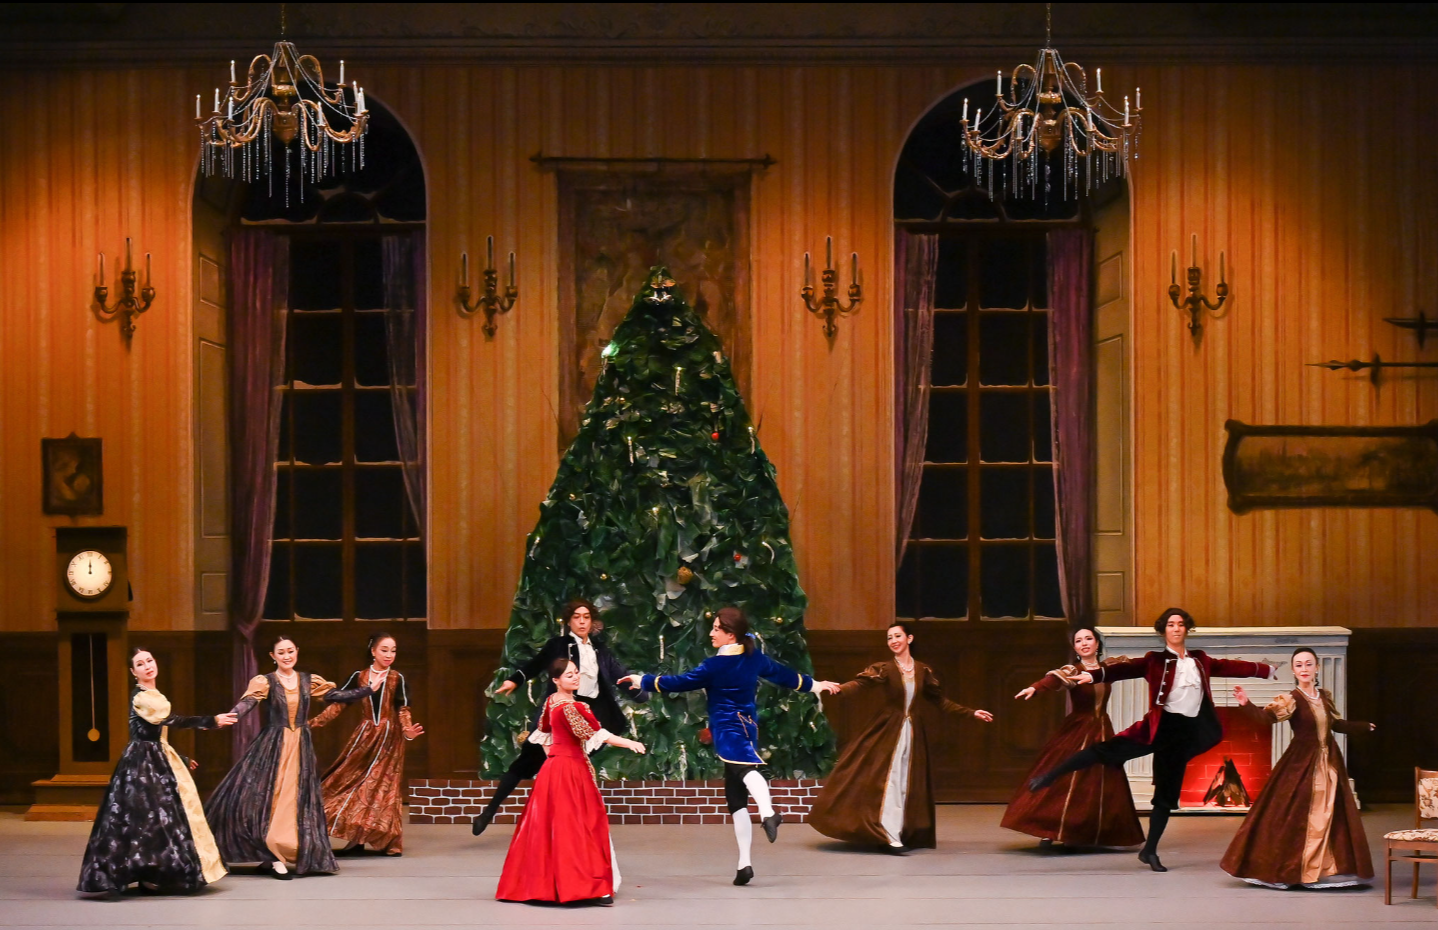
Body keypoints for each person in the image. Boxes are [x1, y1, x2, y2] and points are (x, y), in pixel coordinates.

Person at [1025, 608, 1276, 872]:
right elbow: (1125, 669)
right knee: (1105, 750)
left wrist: (1267, 670)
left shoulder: (1200, 660)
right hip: (1158, 727)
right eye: (1171, 624)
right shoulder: (1154, 660)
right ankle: (1050, 776)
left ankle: (1150, 851)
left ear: (1186, 629)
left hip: (1184, 735)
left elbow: (1230, 666)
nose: (1176, 628)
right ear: (1163, 630)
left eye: (1180, 624)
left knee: (1166, 797)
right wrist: (1095, 675)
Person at [620, 606, 840, 886]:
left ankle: (769, 812)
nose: (711, 633)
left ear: (731, 634)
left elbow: (680, 682)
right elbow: (784, 675)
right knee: (736, 800)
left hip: (727, 727)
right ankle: (744, 864)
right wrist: (816, 685)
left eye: (716, 629)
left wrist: (643, 680)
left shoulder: (715, 666)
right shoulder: (752, 657)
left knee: (745, 770)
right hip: (747, 726)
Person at [808, 621, 993, 852]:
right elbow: (860, 683)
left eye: (897, 636)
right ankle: (888, 834)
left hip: (913, 733)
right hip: (888, 730)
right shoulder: (884, 668)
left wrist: (971, 712)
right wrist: (837, 688)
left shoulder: (923, 671)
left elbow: (939, 701)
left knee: (906, 782)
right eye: (889, 638)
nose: (893, 641)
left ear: (909, 639)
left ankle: (899, 831)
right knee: (889, 781)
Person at [474, 599, 647, 836]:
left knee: (575, 765)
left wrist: (640, 692)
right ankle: (490, 810)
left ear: (592, 621)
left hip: (590, 711)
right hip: (561, 711)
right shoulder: (558, 645)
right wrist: (514, 680)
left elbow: (619, 675)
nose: (582, 622)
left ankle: (568, 824)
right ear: (568, 621)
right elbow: (535, 664)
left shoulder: (600, 650)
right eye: (577, 617)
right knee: (526, 763)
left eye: (586, 617)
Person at [203, 635, 371, 879]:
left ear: (297, 651)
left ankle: (280, 852)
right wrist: (231, 715)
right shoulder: (265, 682)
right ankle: (271, 854)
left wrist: (368, 689)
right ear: (273, 656)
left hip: (300, 745)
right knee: (266, 796)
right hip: (273, 744)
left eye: (290, 651)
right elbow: (248, 703)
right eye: (281, 652)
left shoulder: (308, 680)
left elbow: (336, 696)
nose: (287, 656)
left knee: (294, 798)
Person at [78, 648, 236, 895]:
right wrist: (210, 721)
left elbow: (157, 734)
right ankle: (125, 874)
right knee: (144, 818)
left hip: (154, 756)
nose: (148, 666)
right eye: (140, 664)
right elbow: (172, 721)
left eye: (149, 660)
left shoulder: (153, 695)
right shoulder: (142, 697)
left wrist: (180, 758)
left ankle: (151, 873)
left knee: (155, 819)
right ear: (133, 672)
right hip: (142, 764)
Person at [1220, 647, 1375, 889]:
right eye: (1299, 665)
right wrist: (1246, 704)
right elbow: (1266, 719)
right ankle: (1291, 868)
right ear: (1293, 670)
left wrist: (1363, 726)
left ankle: (1324, 868)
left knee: (1329, 813)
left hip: (1329, 763)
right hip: (1301, 762)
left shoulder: (1324, 697)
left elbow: (1337, 724)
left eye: (1309, 664)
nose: (1304, 669)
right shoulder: (1291, 699)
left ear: (1317, 668)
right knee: (1296, 814)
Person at [496, 657, 646, 906]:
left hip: (553, 771)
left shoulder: (551, 702)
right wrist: (629, 742)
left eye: (576, 672)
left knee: (550, 828)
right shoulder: (572, 707)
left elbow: (543, 734)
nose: (575, 677)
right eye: (569, 675)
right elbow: (596, 734)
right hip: (570, 772)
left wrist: (554, 757)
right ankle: (584, 887)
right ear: (556, 680)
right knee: (579, 827)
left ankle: (548, 886)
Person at [1001, 626, 1145, 848]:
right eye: (1079, 641)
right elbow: (1053, 680)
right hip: (1078, 728)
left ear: (1097, 643)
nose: (1084, 643)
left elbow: (1138, 666)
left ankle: (1097, 832)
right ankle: (1049, 829)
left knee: (1103, 779)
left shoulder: (1107, 668)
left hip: (1102, 728)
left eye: (1088, 639)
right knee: (1065, 776)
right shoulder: (1073, 671)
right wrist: (1035, 688)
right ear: (1075, 648)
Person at [310, 632, 424, 856]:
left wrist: (407, 731)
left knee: (382, 786)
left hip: (390, 739)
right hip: (365, 736)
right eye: (384, 650)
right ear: (373, 651)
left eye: (393, 651)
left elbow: (403, 709)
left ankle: (388, 841)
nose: (389, 655)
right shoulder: (359, 676)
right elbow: (339, 704)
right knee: (348, 779)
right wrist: (312, 723)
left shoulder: (397, 678)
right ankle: (356, 839)